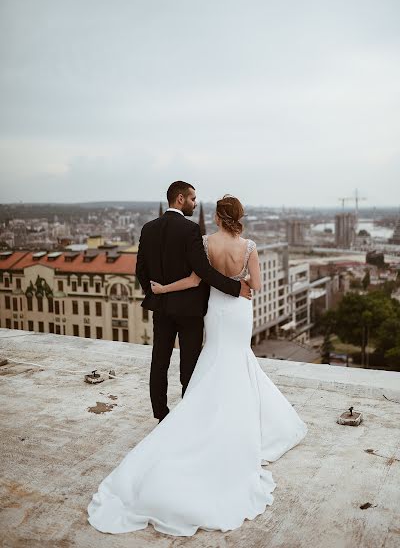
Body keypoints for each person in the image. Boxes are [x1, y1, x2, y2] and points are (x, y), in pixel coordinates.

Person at [87, 193, 308, 537]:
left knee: (215, 359)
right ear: (239, 217)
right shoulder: (250, 246)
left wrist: (162, 290)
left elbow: (194, 280)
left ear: (218, 217)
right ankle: (245, 418)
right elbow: (258, 287)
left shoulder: (204, 242)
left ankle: (195, 414)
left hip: (216, 311)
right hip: (239, 310)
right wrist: (241, 284)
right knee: (240, 360)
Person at [134, 180, 251, 422]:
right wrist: (235, 287)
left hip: (162, 308)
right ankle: (187, 416)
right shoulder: (190, 230)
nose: (195, 204)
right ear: (180, 199)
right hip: (189, 310)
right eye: (193, 199)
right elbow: (202, 271)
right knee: (189, 364)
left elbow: (141, 270)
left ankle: (160, 414)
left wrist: (155, 293)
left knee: (159, 361)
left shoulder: (148, 228)